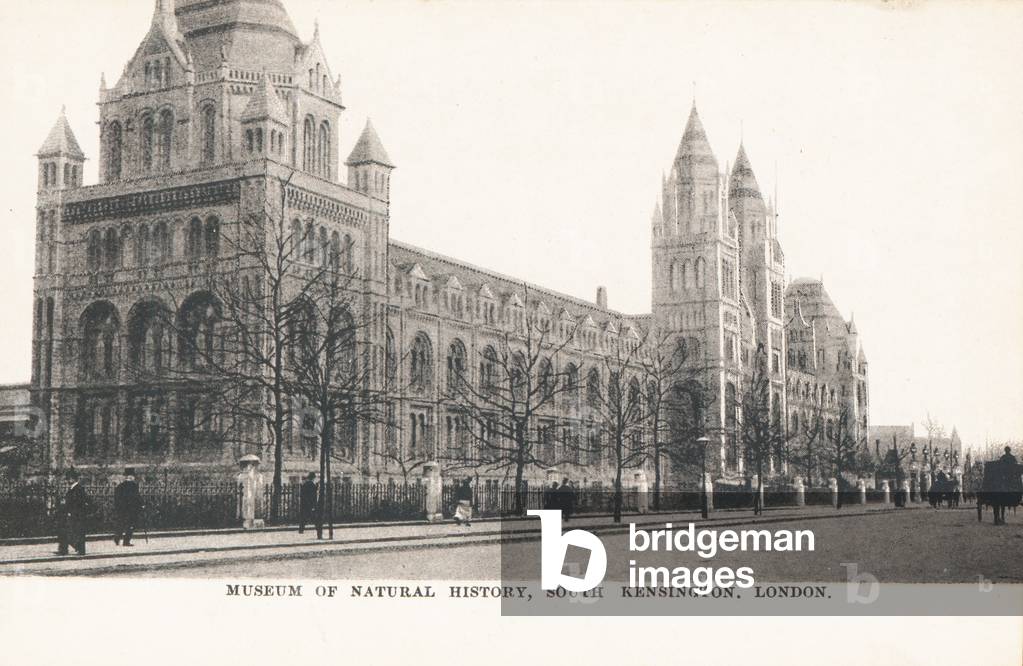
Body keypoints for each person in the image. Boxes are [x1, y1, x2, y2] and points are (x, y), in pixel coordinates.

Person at [56, 469, 91, 556]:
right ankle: (65, 549)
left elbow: (78, 502)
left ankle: (75, 549)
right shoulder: (74, 488)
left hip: (76, 515)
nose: (67, 481)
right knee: (69, 532)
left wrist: (71, 511)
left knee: (73, 532)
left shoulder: (78, 489)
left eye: (68, 479)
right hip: (73, 514)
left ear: (72, 479)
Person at [113, 468, 143, 547]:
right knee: (130, 525)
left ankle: (117, 537)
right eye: (133, 476)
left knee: (121, 524)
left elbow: (116, 498)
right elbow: (137, 497)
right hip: (131, 510)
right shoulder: (134, 486)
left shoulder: (120, 486)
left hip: (122, 509)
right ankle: (126, 541)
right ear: (131, 477)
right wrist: (141, 505)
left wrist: (118, 507)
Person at [299, 472, 321, 537]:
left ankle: (301, 529)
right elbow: (313, 495)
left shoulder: (304, 484)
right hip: (310, 504)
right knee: (314, 518)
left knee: (304, 517)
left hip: (304, 504)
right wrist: (314, 505)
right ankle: (318, 530)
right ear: (313, 478)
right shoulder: (311, 484)